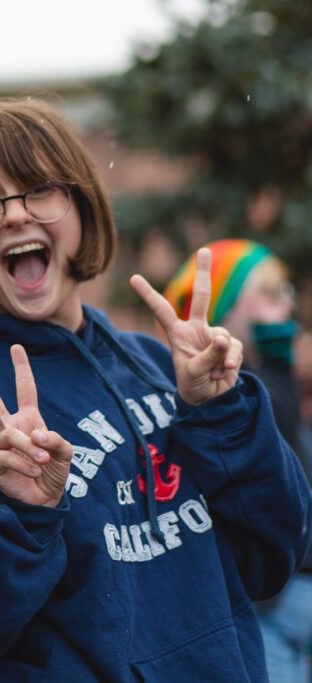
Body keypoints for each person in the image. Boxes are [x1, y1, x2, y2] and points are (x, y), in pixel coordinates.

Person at [0, 99, 312, 681]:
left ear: (83, 206)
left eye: (41, 189)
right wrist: (23, 516)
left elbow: (275, 554)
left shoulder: (158, 363)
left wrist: (221, 411)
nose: (15, 215)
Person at [165, 239, 312, 683]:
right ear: (226, 308)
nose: (286, 304)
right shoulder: (227, 392)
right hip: (268, 602)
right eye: (269, 293)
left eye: (286, 292)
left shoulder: (272, 376)